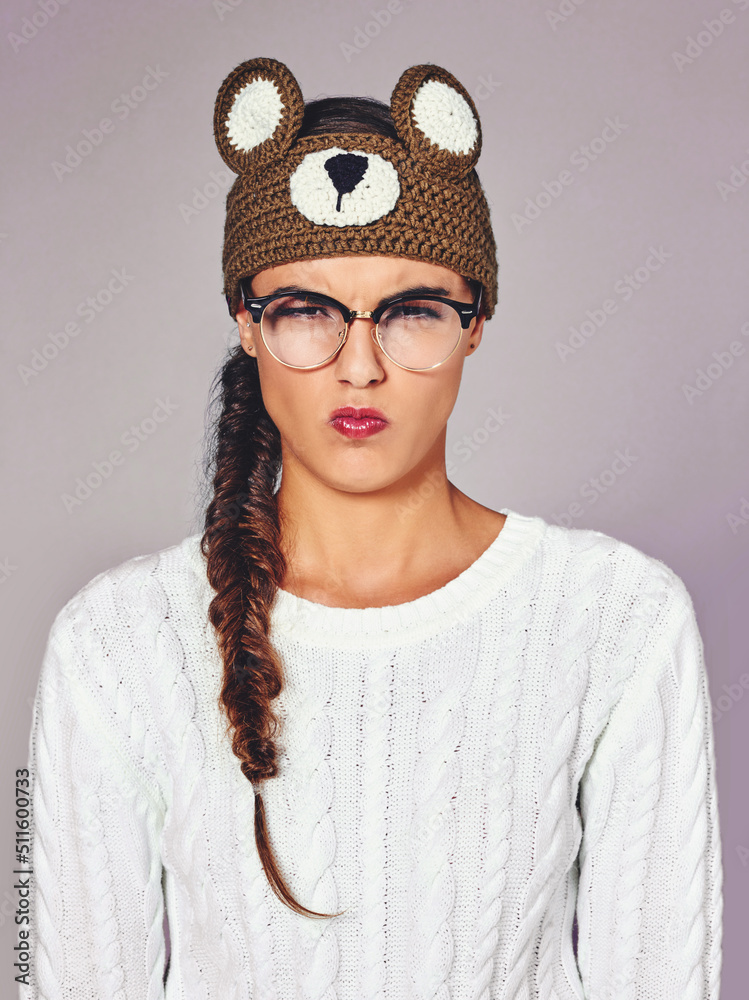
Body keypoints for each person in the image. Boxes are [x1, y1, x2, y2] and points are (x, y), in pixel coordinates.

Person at [21, 57, 722, 999]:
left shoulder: (616, 621)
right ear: (244, 319)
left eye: (412, 312)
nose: (360, 367)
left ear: (476, 322)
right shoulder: (112, 648)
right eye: (306, 311)